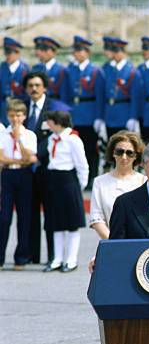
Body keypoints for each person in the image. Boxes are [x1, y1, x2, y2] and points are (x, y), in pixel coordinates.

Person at [43, 110, 89, 273]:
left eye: (49, 122)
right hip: (54, 180)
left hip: (68, 181)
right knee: (56, 223)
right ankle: (57, 259)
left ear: (57, 123)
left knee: (71, 224)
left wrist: (79, 186)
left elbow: (82, 165)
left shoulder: (73, 140)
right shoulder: (52, 139)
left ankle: (71, 259)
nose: (47, 124)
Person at [23, 71, 61, 266]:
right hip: (27, 169)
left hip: (48, 168)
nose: (34, 89)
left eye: (38, 85)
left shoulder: (53, 109)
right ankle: (32, 254)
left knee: (51, 214)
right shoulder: (23, 108)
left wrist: (38, 156)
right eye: (30, 86)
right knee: (30, 213)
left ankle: (54, 255)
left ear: (45, 87)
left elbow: (55, 136)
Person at [0, 100, 37, 269]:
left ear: (24, 116)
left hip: (24, 176)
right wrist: (18, 160)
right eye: (13, 115)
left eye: (19, 115)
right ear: (8, 116)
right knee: (4, 217)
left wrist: (18, 140)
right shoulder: (2, 134)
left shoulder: (29, 135)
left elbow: (29, 158)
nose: (15, 119)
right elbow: (2, 158)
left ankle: (21, 257)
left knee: (24, 216)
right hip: (8, 174)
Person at [90, 131, 146, 240]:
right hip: (110, 243)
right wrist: (115, 243)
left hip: (140, 245)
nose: (124, 157)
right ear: (113, 153)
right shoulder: (99, 182)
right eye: (119, 152)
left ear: (136, 156)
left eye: (129, 153)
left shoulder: (144, 181)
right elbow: (97, 220)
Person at [66, 35, 105, 187]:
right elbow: (66, 94)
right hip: (74, 115)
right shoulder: (70, 70)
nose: (78, 53)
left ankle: (92, 177)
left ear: (87, 52)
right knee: (73, 148)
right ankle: (77, 177)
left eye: (82, 50)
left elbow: (100, 96)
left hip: (89, 115)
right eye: (76, 50)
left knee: (90, 149)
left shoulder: (95, 71)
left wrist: (99, 117)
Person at [102, 37, 140, 163]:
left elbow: (135, 96)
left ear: (124, 52)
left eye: (119, 51)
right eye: (114, 51)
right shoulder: (107, 69)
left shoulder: (131, 71)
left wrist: (133, 116)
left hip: (124, 111)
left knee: (125, 146)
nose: (116, 54)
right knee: (112, 145)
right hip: (110, 112)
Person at [0, 37, 30, 125]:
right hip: (3, 108)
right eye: (6, 53)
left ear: (17, 53)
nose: (7, 56)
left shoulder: (25, 69)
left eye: (9, 53)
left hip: (19, 107)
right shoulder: (2, 67)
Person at [32, 36, 69, 103]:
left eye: (44, 50)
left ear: (53, 52)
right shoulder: (35, 69)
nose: (40, 53)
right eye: (38, 49)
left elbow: (64, 94)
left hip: (55, 105)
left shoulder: (61, 70)